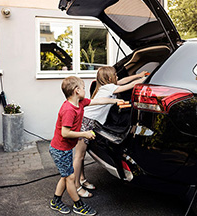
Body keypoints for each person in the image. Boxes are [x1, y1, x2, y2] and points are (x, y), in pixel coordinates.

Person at [49, 76, 123, 215]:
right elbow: (65, 133)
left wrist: (114, 100)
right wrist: (84, 134)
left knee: (65, 177)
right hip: (59, 150)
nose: (85, 90)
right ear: (77, 90)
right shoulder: (69, 110)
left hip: (63, 149)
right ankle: (79, 205)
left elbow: (98, 101)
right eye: (83, 88)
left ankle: (56, 201)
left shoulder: (80, 103)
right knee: (70, 178)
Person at [73, 66, 147, 198]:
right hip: (86, 122)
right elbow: (129, 85)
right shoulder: (109, 88)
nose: (117, 77)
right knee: (79, 156)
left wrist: (137, 74)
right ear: (109, 78)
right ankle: (76, 186)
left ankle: (82, 179)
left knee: (82, 155)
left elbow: (124, 80)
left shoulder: (105, 86)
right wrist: (145, 79)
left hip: (89, 121)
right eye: (115, 75)